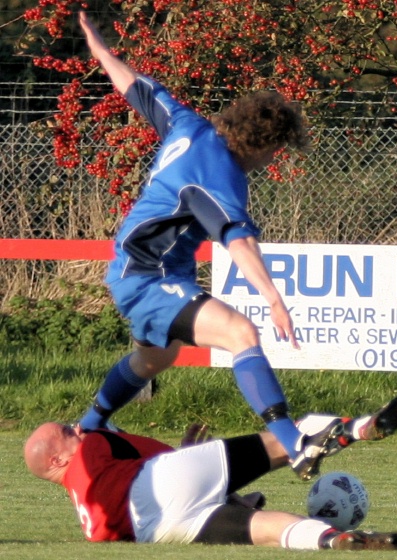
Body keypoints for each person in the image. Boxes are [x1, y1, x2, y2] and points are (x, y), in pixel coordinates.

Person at [76, 10, 340, 481]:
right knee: (241, 333)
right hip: (146, 276)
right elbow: (238, 241)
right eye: (277, 151)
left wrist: (100, 50)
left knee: (156, 358)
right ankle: (291, 442)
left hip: (138, 270)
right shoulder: (221, 175)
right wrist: (273, 299)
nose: (273, 159)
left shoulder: (188, 125)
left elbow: (136, 86)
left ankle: (91, 425)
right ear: (263, 144)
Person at [24, 415, 397, 551]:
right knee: (283, 441)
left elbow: (117, 524)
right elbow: (159, 461)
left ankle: (334, 540)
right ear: (58, 459)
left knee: (263, 530)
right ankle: (358, 427)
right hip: (158, 483)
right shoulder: (93, 444)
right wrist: (183, 454)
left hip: (155, 530)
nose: (76, 427)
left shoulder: (87, 516)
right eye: (66, 431)